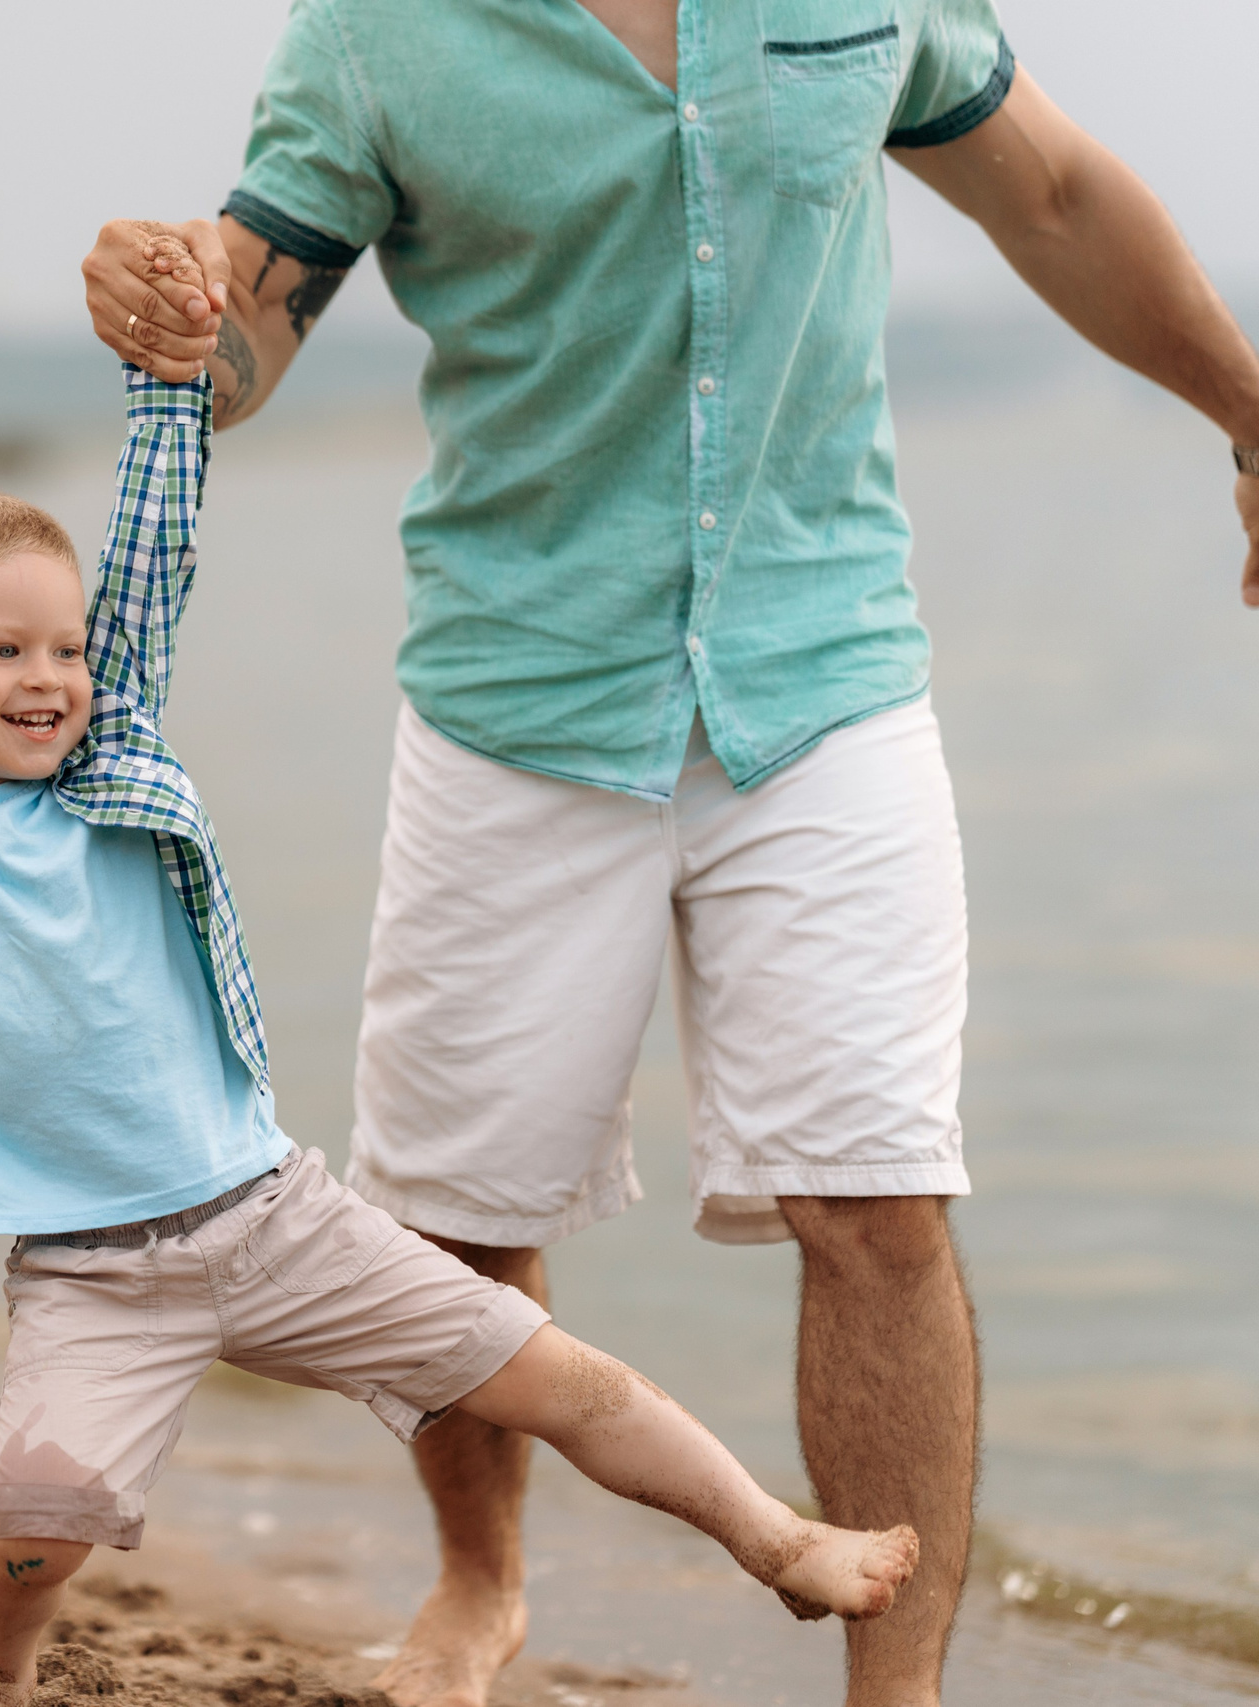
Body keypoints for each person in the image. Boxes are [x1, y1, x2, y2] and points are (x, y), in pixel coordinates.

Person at [79, 2, 1259, 1702]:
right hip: (518, 686)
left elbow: (1055, 195)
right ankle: (477, 1594)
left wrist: (1250, 413)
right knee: (455, 1225)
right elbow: (250, 320)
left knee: (878, 1201)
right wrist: (178, 315)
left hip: (824, 679)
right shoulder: (378, 29)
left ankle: (896, 1691)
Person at [0, 362, 921, 1707]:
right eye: (4, 651)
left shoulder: (117, 761)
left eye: (67, 649)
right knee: (38, 1523)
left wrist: (167, 391)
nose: (51, 677)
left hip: (276, 1220)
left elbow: (153, 555)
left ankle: (778, 1541)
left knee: (556, 1376)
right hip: (91, 1275)